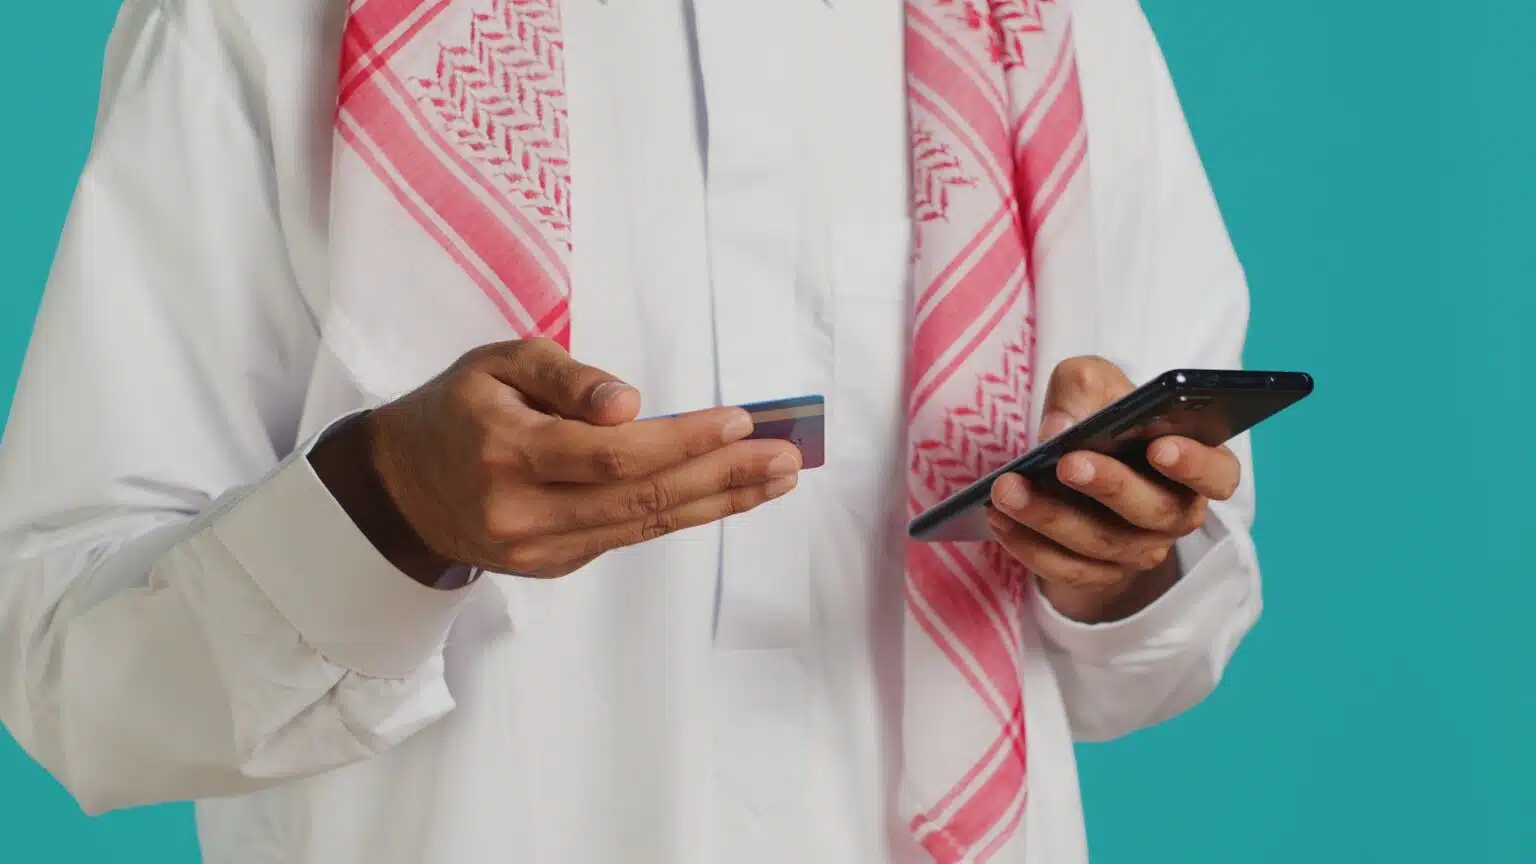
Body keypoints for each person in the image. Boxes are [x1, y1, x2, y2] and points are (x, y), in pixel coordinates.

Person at [0, 1, 1261, 862]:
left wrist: (1125, 559)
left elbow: (1163, 645)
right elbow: (69, 675)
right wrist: (386, 509)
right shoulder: (271, 17)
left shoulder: (1047, 29)